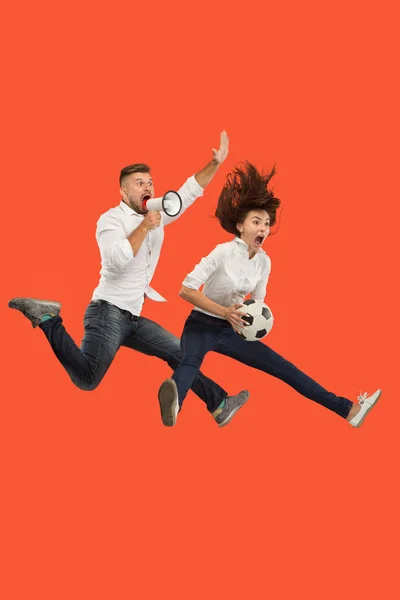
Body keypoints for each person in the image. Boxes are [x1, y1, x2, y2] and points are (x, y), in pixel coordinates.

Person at [8, 131, 249, 427]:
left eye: (150, 182)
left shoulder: (156, 214)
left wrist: (214, 164)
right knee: (87, 380)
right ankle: (47, 318)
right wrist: (145, 227)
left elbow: (187, 193)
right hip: (107, 312)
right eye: (140, 183)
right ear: (123, 192)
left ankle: (220, 404)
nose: (147, 186)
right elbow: (117, 259)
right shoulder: (110, 220)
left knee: (180, 354)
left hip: (133, 317)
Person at [158, 162, 381, 427]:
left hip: (234, 329)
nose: (263, 228)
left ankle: (349, 411)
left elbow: (258, 303)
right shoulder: (222, 252)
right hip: (200, 324)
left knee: (285, 369)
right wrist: (225, 312)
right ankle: (174, 406)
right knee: (189, 362)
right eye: (256, 222)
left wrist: (250, 321)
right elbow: (186, 289)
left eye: (266, 223)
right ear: (240, 226)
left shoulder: (264, 262)